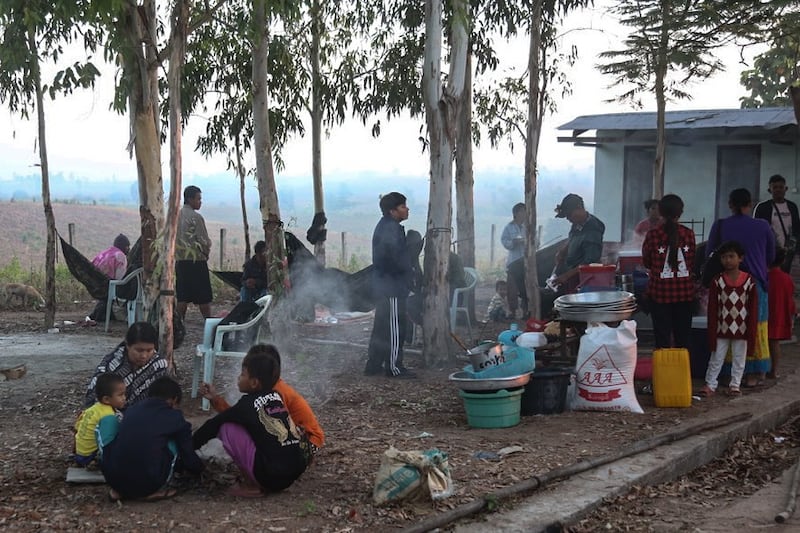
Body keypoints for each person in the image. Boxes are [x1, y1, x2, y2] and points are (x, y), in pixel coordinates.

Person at [193, 345, 313, 497]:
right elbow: (233, 413)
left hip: (270, 478)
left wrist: (188, 448)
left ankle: (251, 484)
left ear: (254, 382)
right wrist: (215, 399)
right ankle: (262, 476)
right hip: (292, 474)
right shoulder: (276, 396)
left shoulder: (247, 405)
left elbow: (216, 423)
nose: (238, 378)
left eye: (242, 375)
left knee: (227, 428)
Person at [706, 188, 775, 388]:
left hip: (725, 285)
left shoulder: (720, 225)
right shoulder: (762, 226)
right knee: (755, 326)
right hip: (756, 284)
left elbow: (711, 252)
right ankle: (753, 374)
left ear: (730, 204)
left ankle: (726, 374)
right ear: (749, 204)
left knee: (726, 327)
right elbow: (770, 255)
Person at [198, 346, 324, 454]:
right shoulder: (269, 389)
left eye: (244, 373)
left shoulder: (276, 394)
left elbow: (241, 418)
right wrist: (215, 399)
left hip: (310, 441)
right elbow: (237, 415)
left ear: (256, 380)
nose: (239, 377)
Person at [103, 377, 204, 502]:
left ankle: (118, 491)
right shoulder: (174, 416)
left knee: (122, 431)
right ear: (174, 400)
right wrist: (200, 469)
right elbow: (187, 453)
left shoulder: (132, 409)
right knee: (173, 440)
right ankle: (150, 492)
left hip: (112, 478)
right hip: (147, 483)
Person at [364, 192, 416, 378]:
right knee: (395, 327)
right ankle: (394, 367)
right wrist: (410, 273)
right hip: (392, 286)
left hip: (384, 285)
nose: (407, 209)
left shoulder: (386, 226)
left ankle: (374, 364)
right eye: (403, 206)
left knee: (382, 326)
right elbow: (395, 260)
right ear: (392, 211)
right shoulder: (392, 229)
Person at [699, 241, 758, 397]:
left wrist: (751, 327)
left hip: (742, 327)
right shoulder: (717, 281)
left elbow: (753, 307)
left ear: (740, 259)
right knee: (716, 357)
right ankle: (710, 384)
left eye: (731, 256)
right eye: (724, 257)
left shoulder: (749, 281)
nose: (728, 260)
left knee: (739, 358)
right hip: (721, 327)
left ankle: (735, 385)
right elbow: (712, 308)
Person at [641, 194, 696, 349]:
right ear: (680, 213)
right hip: (685, 294)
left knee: (662, 338)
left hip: (660, 295)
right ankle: (683, 371)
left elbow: (647, 262)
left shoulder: (653, 235)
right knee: (683, 338)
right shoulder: (688, 233)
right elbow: (691, 261)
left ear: (661, 212)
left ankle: (663, 371)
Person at [84, 321, 169, 408]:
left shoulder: (158, 365)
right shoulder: (110, 368)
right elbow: (93, 401)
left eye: (149, 350)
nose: (144, 356)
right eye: (139, 350)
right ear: (127, 345)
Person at [552, 193, 606, 291]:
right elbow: (573, 237)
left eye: (569, 215)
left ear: (579, 209)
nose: (568, 219)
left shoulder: (593, 229)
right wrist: (564, 250)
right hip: (571, 279)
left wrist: (566, 276)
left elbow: (590, 262)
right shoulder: (577, 223)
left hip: (584, 283)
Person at [176, 185, 213, 319]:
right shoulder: (196, 217)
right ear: (190, 199)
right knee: (203, 297)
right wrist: (206, 252)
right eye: (198, 199)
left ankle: (178, 323)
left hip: (180, 261)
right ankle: (209, 323)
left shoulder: (176, 215)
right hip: (196, 261)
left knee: (182, 296)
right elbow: (202, 240)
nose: (200, 202)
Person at [73, 373, 126, 467]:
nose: (124, 398)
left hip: (80, 453)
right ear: (106, 399)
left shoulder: (92, 409)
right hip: (90, 456)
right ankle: (96, 463)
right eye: (120, 395)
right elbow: (107, 442)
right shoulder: (108, 416)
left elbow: (77, 428)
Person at [753, 174, 800, 273]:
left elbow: (796, 228)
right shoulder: (762, 207)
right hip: (769, 250)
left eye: (781, 187)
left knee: (785, 276)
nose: (778, 190)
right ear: (769, 190)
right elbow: (756, 230)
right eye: (775, 187)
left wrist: (793, 247)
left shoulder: (792, 207)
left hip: (788, 251)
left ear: (785, 189)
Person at [86, 234, 131, 323]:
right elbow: (120, 279)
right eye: (128, 247)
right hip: (108, 286)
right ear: (124, 247)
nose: (128, 249)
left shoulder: (104, 253)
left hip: (95, 284)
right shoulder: (120, 256)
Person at [767, 248, 796, 380]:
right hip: (780, 313)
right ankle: (774, 370)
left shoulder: (764, 276)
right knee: (775, 343)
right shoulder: (787, 278)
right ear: (783, 260)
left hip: (766, 312)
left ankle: (761, 370)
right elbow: (790, 297)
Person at [500, 202, 527, 319]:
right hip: (513, 261)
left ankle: (526, 310)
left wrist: (528, 243)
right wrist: (513, 243)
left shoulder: (528, 226)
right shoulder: (509, 227)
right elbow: (504, 241)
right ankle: (512, 311)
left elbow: (535, 241)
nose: (525, 214)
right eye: (523, 211)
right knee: (512, 287)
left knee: (526, 287)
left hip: (526, 261)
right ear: (516, 213)